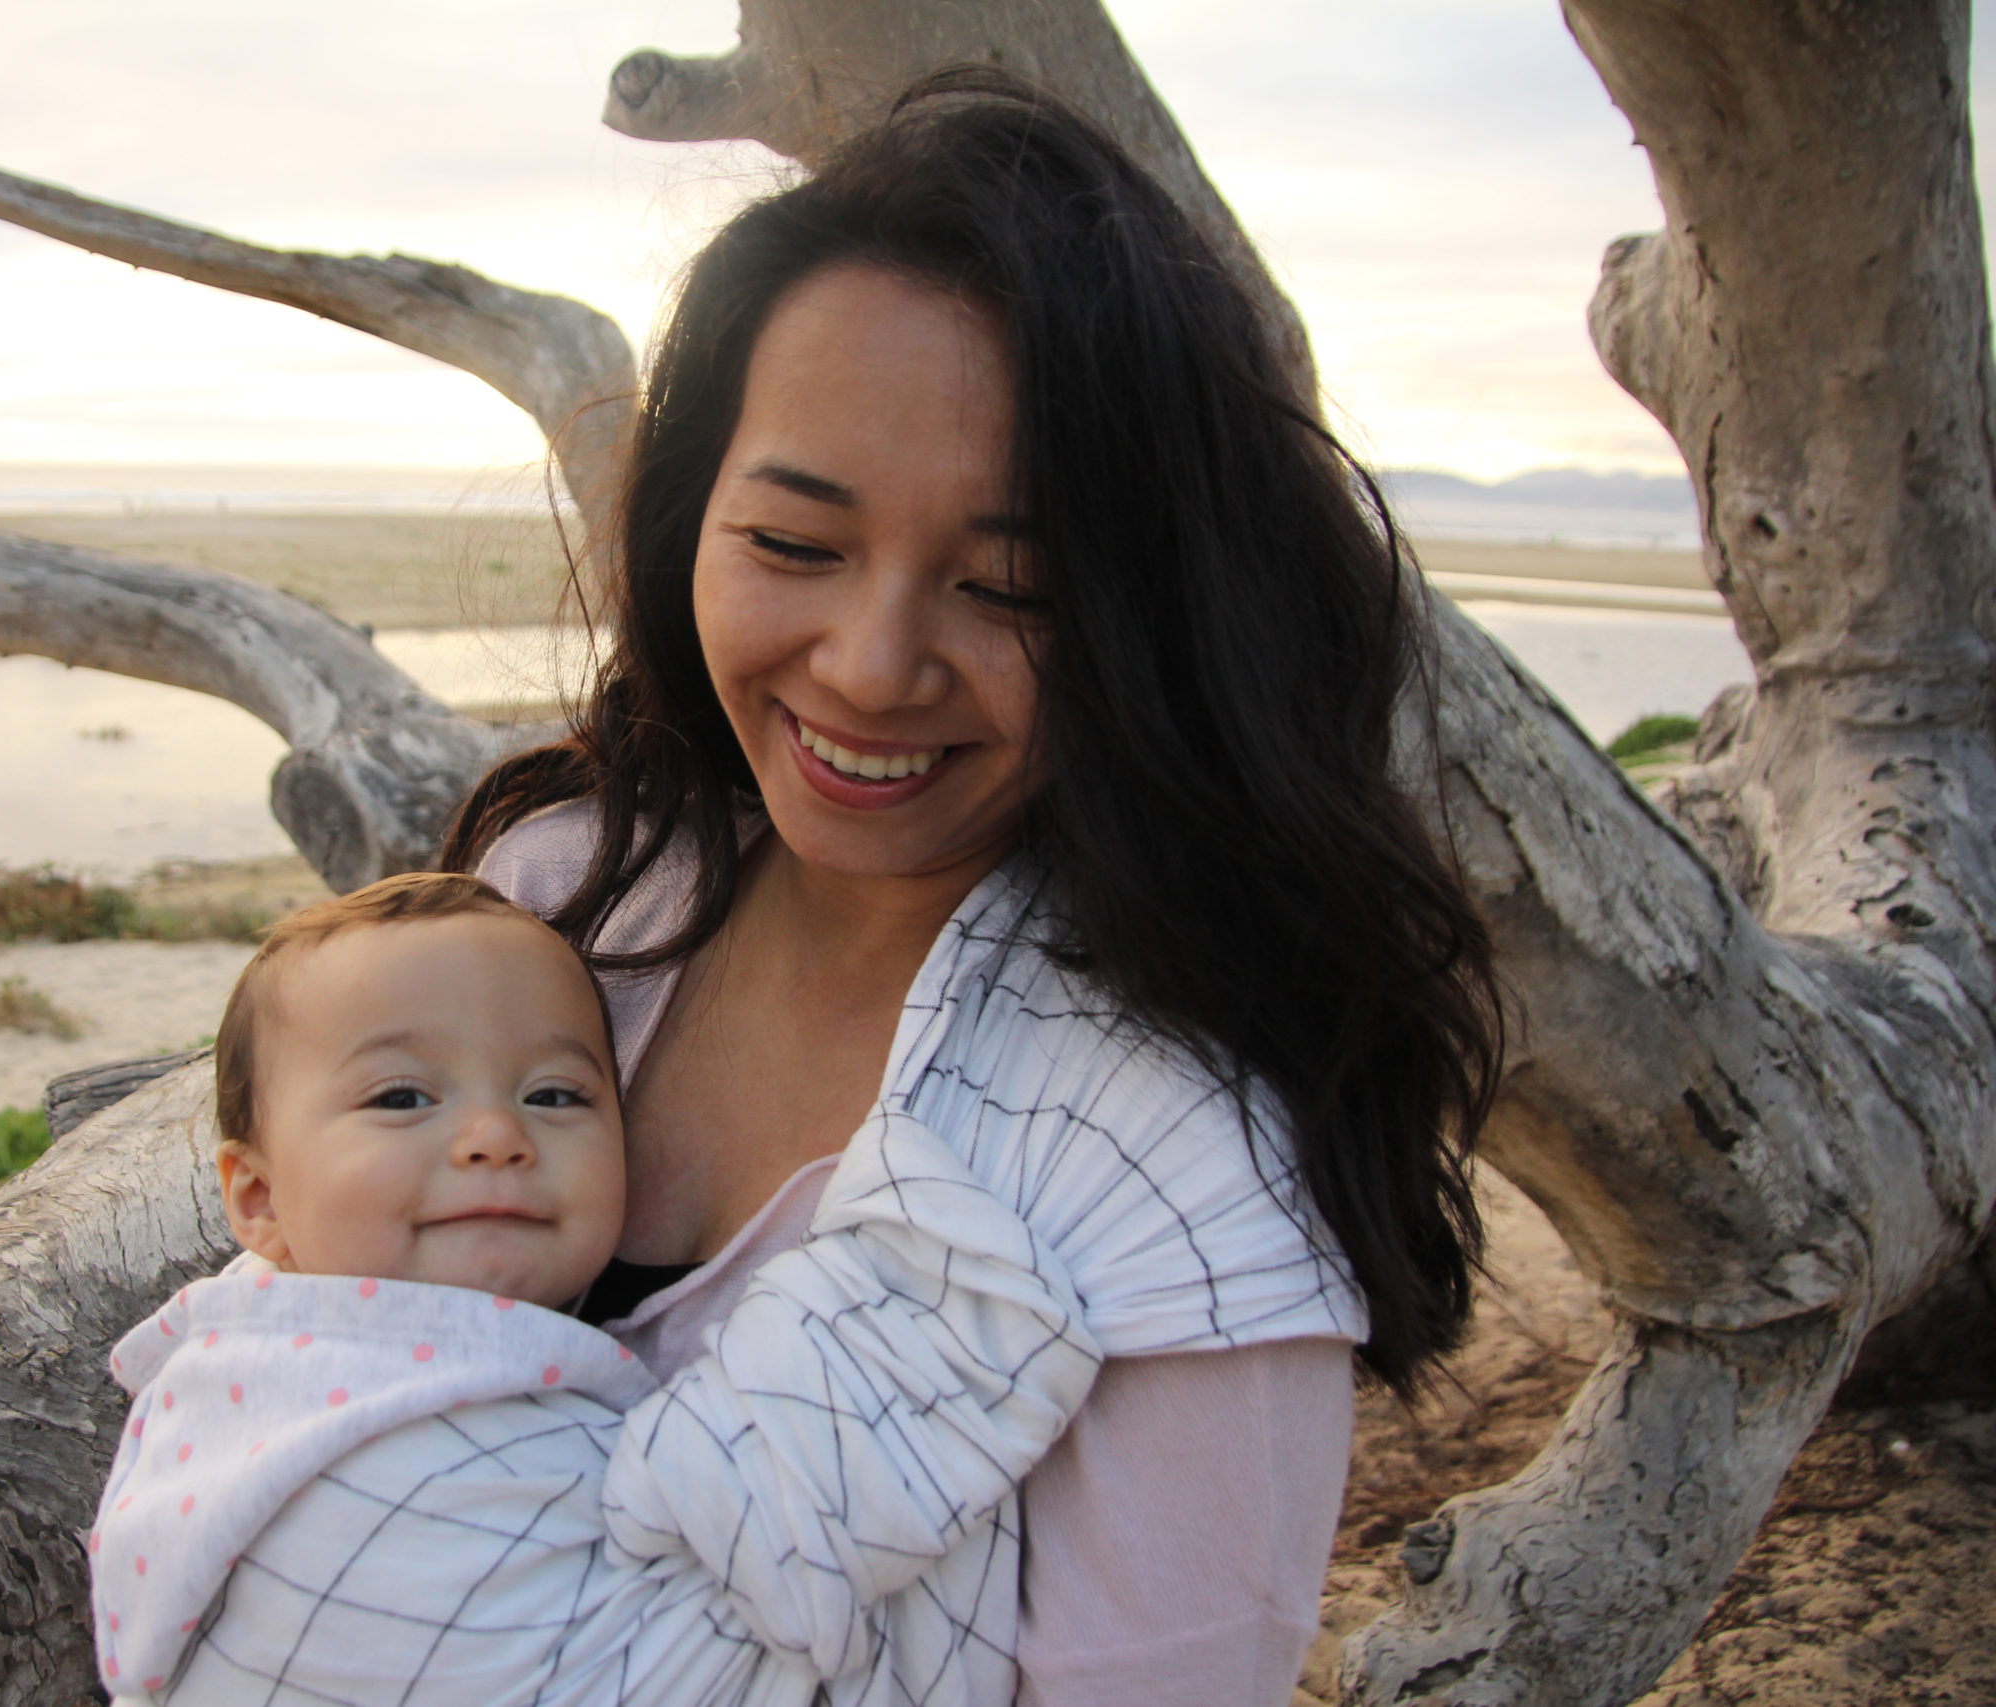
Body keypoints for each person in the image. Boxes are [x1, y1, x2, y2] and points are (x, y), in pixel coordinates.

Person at [445, 69, 1502, 1707]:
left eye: (1011, 585)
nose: (869, 668)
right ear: (687, 520)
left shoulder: (1175, 1186)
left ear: (1156, 616)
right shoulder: (567, 897)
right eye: (796, 545)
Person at [88, 872, 1105, 1705]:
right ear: (258, 1200)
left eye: (556, 1094)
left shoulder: (523, 1402)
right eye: (402, 1097)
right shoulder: (260, 1403)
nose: (496, 1137)